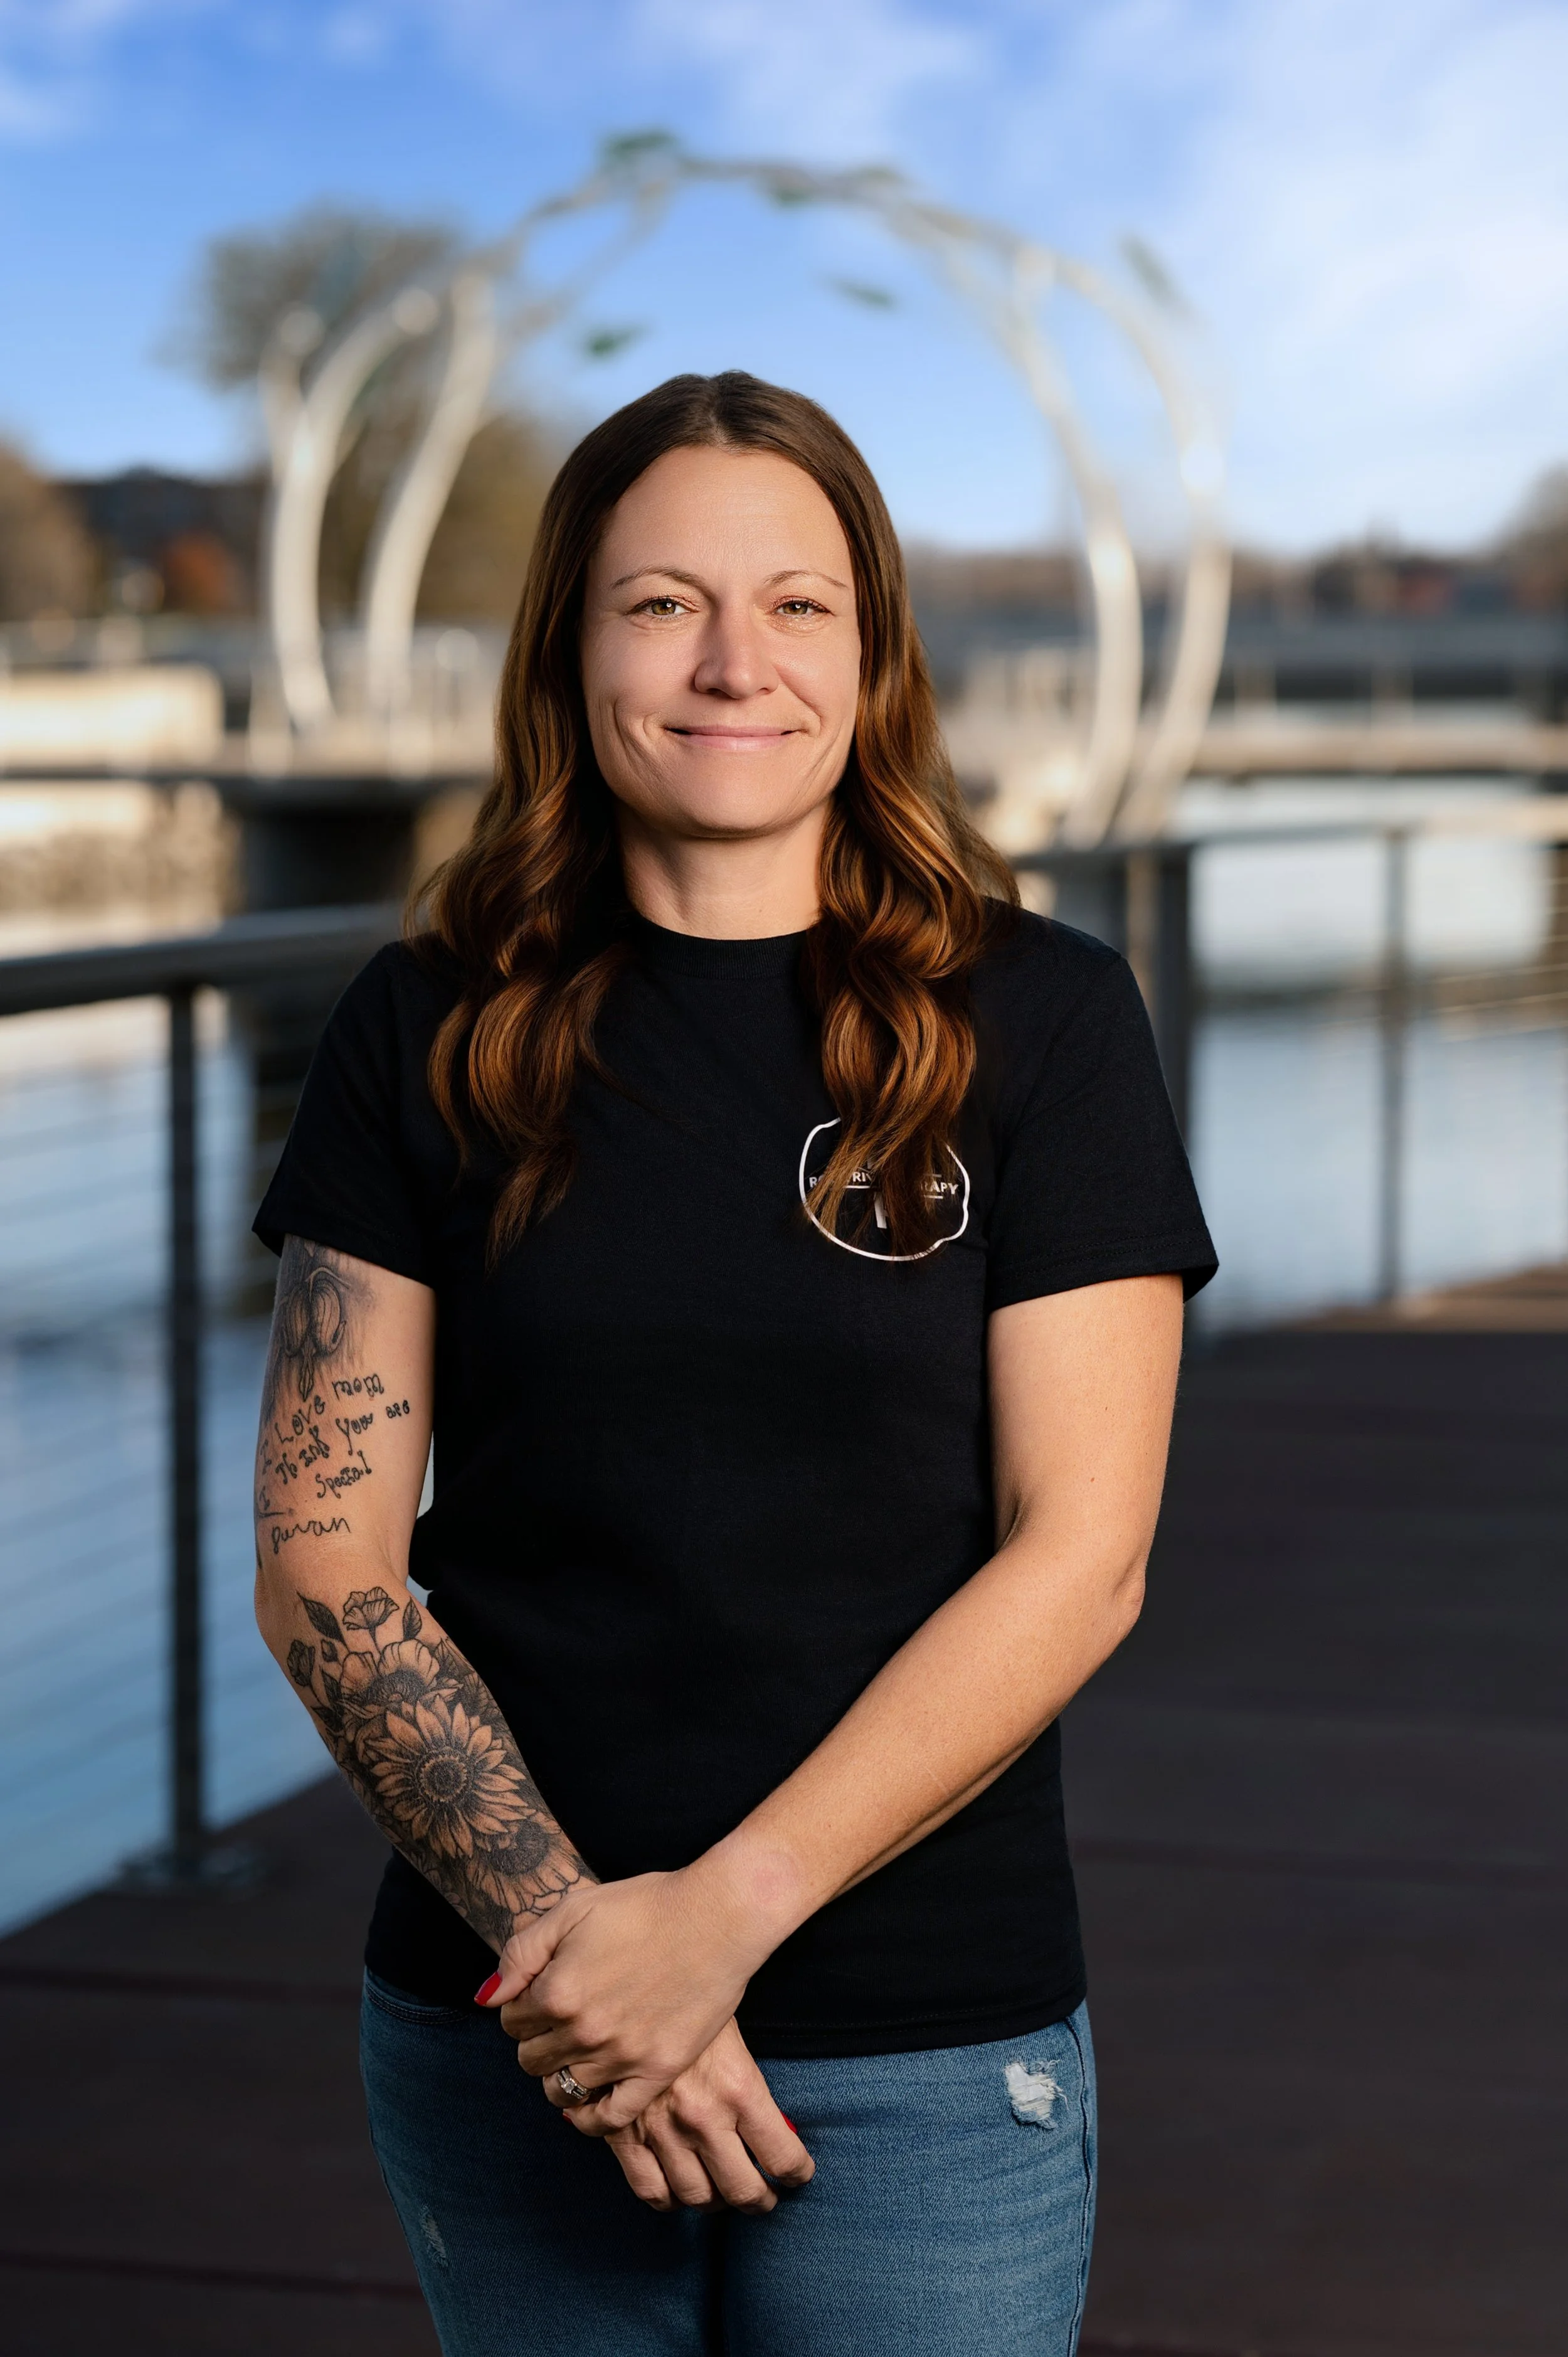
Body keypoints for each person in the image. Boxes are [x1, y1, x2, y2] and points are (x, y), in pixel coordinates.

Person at [252, 369, 1216, 2357]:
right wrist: (583, 1961)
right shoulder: (422, 1026)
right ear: (569, 646)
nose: (729, 663)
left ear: (871, 655)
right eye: (659, 603)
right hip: (516, 2017)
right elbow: (325, 1565)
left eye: (795, 606)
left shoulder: (1038, 1022)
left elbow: (1080, 1553)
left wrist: (716, 1922)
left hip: (919, 2040)